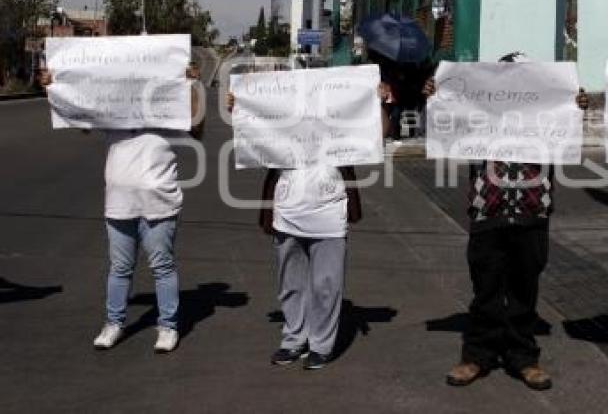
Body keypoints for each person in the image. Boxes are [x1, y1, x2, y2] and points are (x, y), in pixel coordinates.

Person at [423, 52, 589, 391]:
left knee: (523, 290)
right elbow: (448, 127)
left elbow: (567, 133)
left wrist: (574, 106)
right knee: (485, 289)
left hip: (532, 211)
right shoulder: (479, 112)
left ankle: (523, 357)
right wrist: (438, 98)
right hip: (489, 211)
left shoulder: (547, 113)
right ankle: (476, 356)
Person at [226, 81, 392, 370]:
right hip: (287, 213)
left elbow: (378, 136)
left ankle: (321, 344)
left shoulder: (340, 120)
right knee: (291, 284)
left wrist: (378, 102)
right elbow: (254, 136)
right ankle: (293, 340)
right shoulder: (283, 122)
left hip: (329, 214)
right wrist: (239, 109)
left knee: (326, 285)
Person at [40, 62, 204, 353]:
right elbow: (81, 120)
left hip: (159, 202)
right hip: (119, 202)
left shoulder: (168, 105)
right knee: (119, 268)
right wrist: (54, 89)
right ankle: (113, 322)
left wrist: (193, 87)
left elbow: (197, 128)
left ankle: (167, 326)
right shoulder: (115, 106)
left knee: (162, 266)